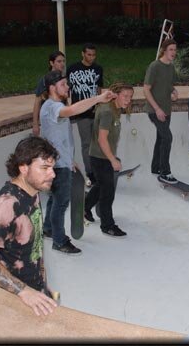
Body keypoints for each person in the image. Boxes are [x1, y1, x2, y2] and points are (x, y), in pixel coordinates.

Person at [0, 136, 60, 317]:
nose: (52, 174)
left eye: (52, 167)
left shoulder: (33, 192)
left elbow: (34, 247)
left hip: (32, 289)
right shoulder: (5, 205)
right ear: (23, 168)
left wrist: (41, 284)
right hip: (10, 298)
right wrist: (23, 291)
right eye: (44, 168)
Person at [39, 70, 115, 254]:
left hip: (59, 162)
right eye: (63, 84)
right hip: (57, 165)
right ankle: (59, 240)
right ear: (52, 87)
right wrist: (97, 98)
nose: (67, 87)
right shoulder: (52, 107)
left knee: (53, 199)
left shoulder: (53, 106)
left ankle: (49, 228)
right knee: (61, 204)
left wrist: (69, 159)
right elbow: (72, 110)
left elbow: (58, 139)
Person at [84, 83, 134, 237]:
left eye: (130, 97)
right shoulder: (107, 112)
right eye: (125, 96)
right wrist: (113, 159)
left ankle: (84, 208)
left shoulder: (114, 109)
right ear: (116, 95)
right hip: (101, 157)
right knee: (108, 192)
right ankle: (107, 225)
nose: (128, 100)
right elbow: (102, 139)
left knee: (100, 185)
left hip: (102, 155)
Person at [67, 43, 104, 188]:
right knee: (86, 143)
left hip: (95, 112)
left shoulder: (98, 69)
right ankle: (90, 173)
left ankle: (98, 169)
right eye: (88, 54)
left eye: (93, 55)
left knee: (98, 142)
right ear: (83, 54)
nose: (91, 57)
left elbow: (99, 89)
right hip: (81, 113)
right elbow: (67, 90)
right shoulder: (72, 69)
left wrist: (99, 105)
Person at [143, 38, 180, 184]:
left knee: (161, 138)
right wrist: (157, 109)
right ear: (164, 50)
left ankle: (155, 167)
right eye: (171, 49)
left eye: (175, 50)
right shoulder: (154, 66)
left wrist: (174, 91)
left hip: (166, 109)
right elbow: (146, 89)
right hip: (155, 110)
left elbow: (168, 84)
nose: (174, 52)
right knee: (167, 137)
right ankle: (165, 172)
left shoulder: (170, 67)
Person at [32, 51, 66, 136]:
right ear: (51, 63)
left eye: (63, 61)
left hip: (62, 119)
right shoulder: (44, 81)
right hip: (50, 121)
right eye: (59, 61)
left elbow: (65, 99)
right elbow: (37, 102)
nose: (62, 64)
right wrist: (35, 124)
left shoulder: (63, 79)